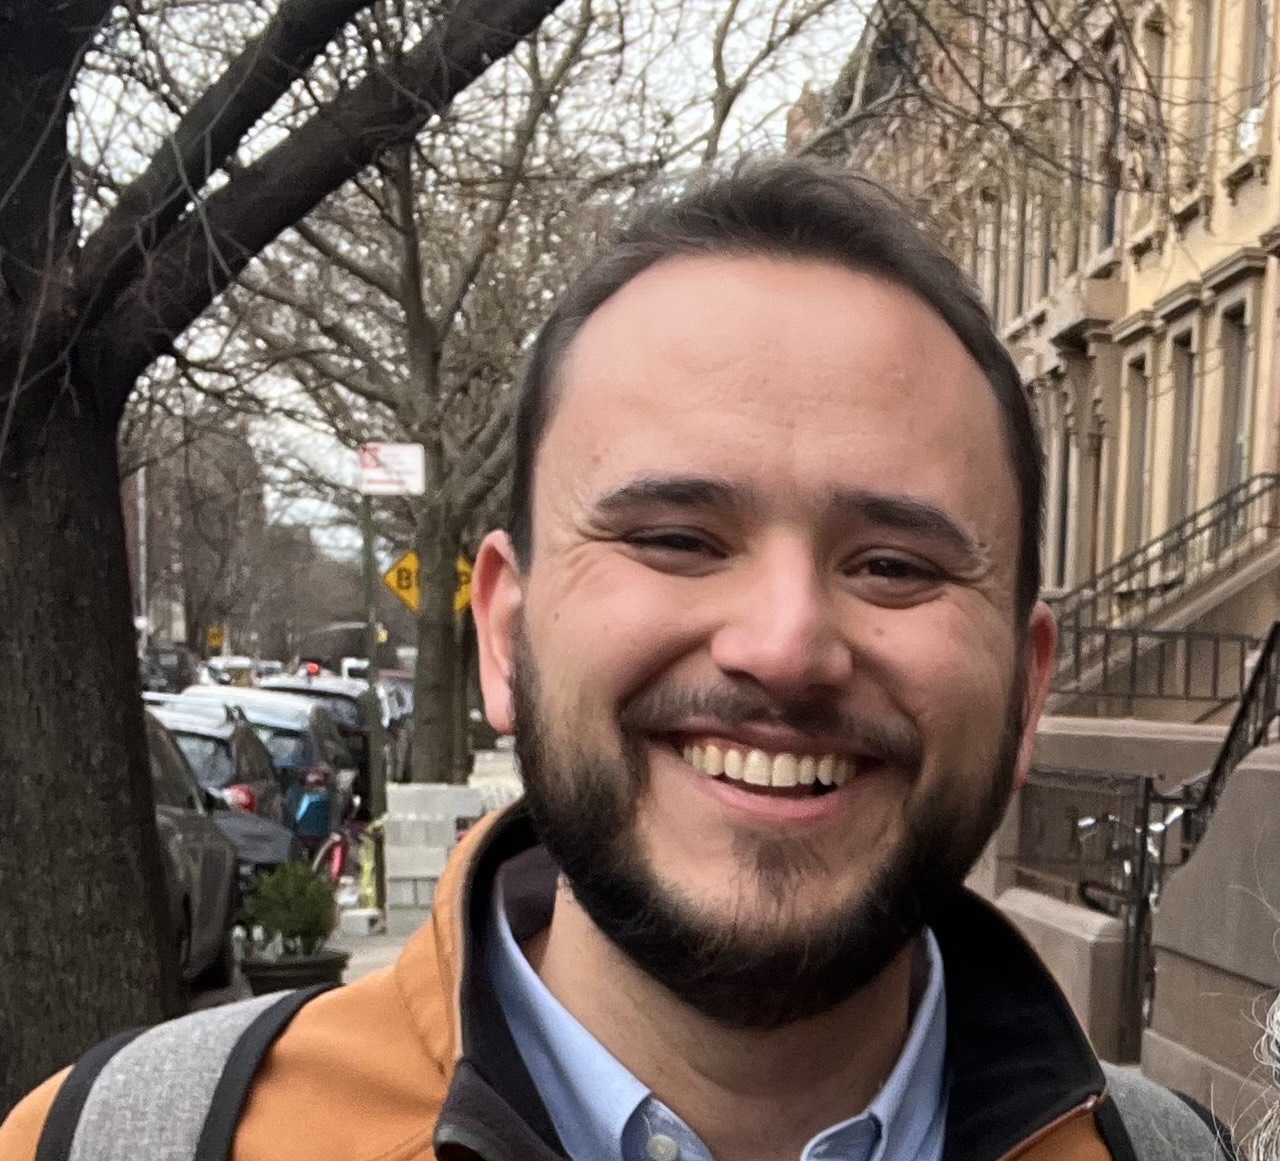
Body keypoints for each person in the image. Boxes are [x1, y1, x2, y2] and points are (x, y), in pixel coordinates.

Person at [0, 161, 1238, 1161]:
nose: (785, 645)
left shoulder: (1168, 1153)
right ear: (502, 633)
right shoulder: (123, 1142)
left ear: (1026, 688)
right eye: (675, 539)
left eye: (894, 565)